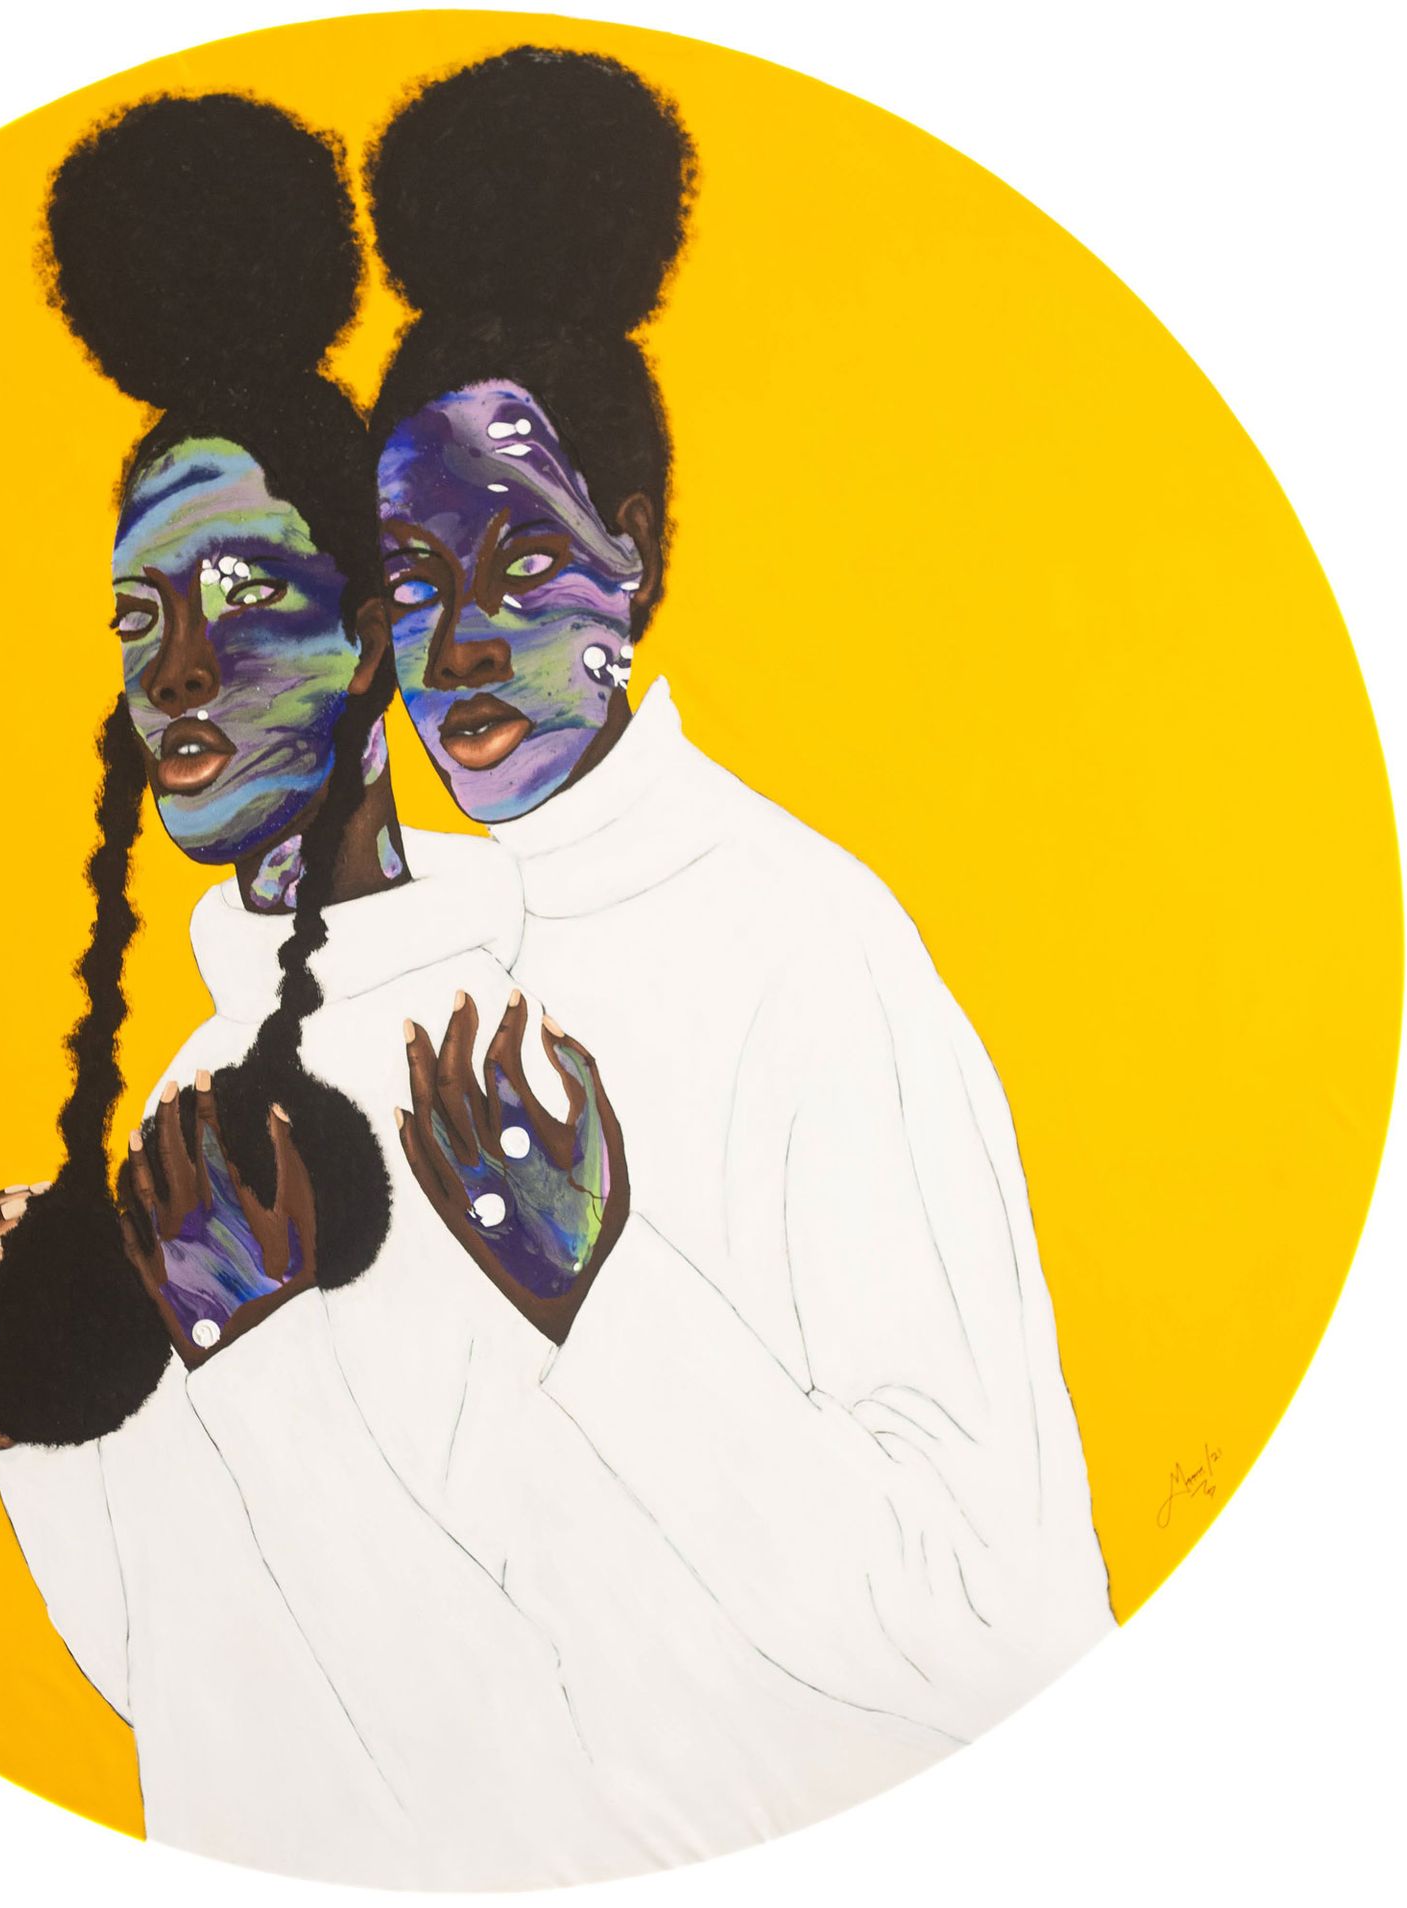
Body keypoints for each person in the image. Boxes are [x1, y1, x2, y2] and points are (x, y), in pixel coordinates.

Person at [0, 86, 951, 1886]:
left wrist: (269, 1351)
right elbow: (194, 1676)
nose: (180, 673)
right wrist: (39, 1440)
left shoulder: (504, 1057)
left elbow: (555, 1704)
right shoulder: (200, 1078)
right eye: (140, 618)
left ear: (365, 638)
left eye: (247, 595)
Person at [370, 45, 1115, 1746]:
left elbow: (996, 1621)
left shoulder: (802, 948)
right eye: (411, 578)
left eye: (526, 560)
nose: (461, 645)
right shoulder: (419, 969)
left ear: (634, 553)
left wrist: (605, 1295)